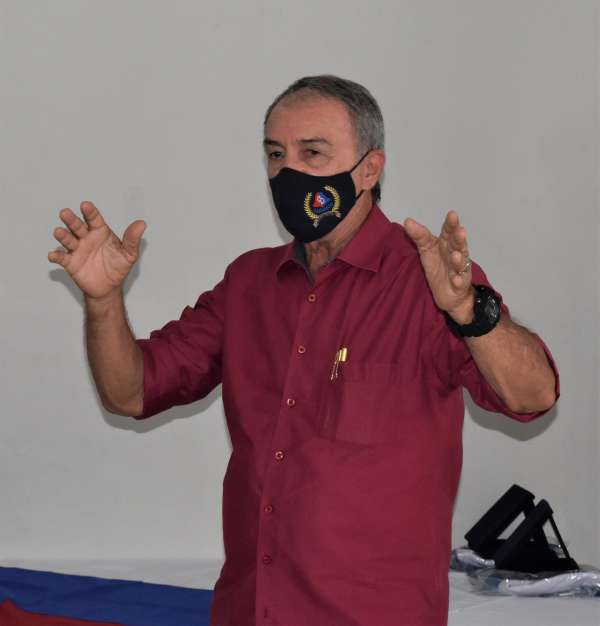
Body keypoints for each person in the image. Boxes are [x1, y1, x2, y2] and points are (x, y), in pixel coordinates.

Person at [48, 75, 558, 626]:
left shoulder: (428, 282)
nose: (288, 172)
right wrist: (103, 300)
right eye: (275, 154)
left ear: (369, 169)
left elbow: (533, 396)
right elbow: (131, 392)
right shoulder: (248, 284)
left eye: (312, 153)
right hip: (250, 611)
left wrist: (470, 313)